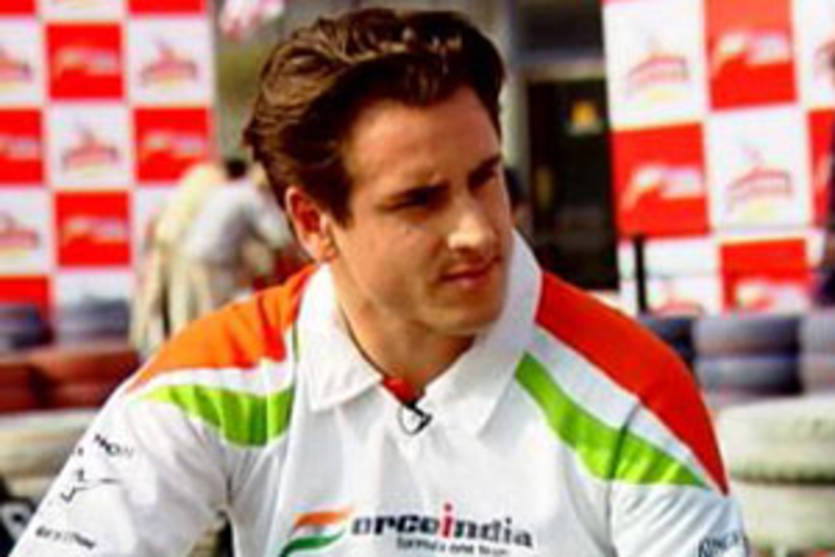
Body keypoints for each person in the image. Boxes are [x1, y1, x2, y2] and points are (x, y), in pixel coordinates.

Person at [12, 8, 747, 557]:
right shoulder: (215, 377)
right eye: (419, 201)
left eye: (484, 178)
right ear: (313, 222)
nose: (477, 230)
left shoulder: (635, 391)